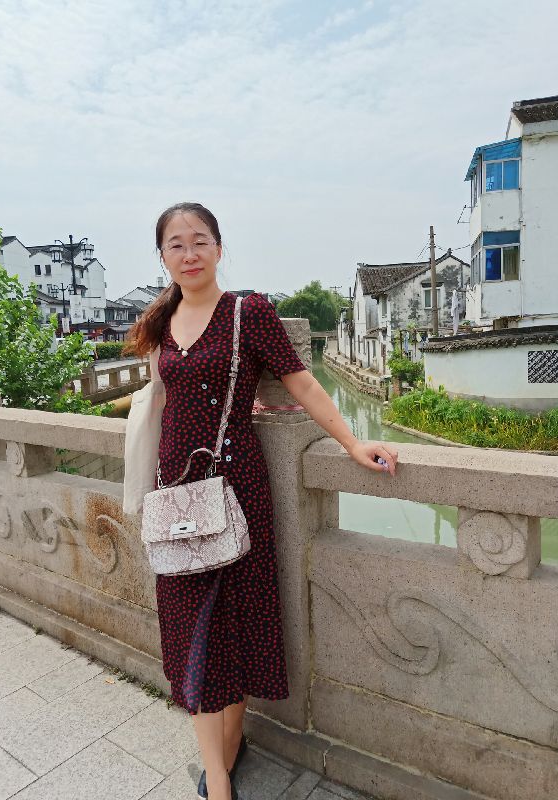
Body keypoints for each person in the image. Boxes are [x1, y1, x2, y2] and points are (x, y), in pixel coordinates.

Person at [126, 203, 399, 800]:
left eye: (200, 240)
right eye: (176, 244)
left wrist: (352, 442)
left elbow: (301, 381)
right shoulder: (160, 323)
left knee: (235, 628)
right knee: (191, 632)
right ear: (163, 257)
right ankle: (220, 779)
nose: (190, 253)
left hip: (238, 490)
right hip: (175, 494)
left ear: (219, 248)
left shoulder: (248, 314)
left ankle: (228, 749)